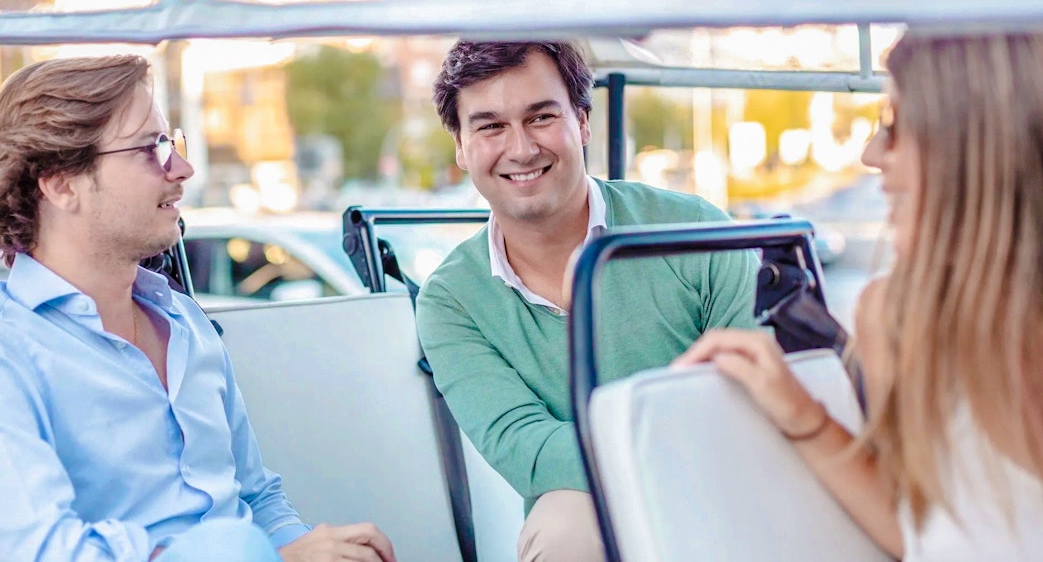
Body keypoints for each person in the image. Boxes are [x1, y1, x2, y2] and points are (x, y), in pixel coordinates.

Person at [0, 55, 396, 562]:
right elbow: (48, 552)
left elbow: (257, 500)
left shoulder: (185, 323)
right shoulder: (12, 352)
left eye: (172, 144)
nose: (183, 169)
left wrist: (316, 552)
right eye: (149, 149)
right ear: (61, 184)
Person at [674, 31, 1043, 561]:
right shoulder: (896, 317)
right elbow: (921, 532)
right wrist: (803, 415)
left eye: (895, 126)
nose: (871, 155)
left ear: (978, 142)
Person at [415, 40, 759, 561]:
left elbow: (754, 397)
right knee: (564, 526)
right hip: (594, 503)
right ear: (461, 147)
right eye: (490, 127)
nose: (521, 149)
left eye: (541, 117)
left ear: (581, 121)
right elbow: (526, 449)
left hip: (725, 483)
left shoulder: (696, 231)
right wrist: (661, 445)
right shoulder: (450, 301)